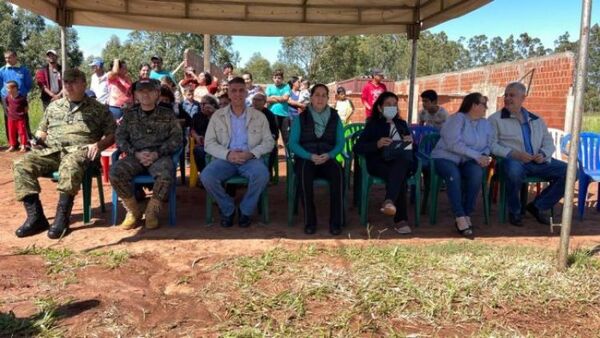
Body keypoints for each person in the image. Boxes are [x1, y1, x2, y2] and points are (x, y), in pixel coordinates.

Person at [12, 69, 116, 239]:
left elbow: (113, 133)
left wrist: (99, 145)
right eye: (66, 82)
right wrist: (37, 140)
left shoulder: (98, 109)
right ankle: (36, 217)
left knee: (70, 164)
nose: (69, 86)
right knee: (21, 164)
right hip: (53, 151)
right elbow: (42, 131)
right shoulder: (54, 106)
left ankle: (62, 218)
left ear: (84, 84)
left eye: (73, 82)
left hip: (81, 152)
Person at [490, 82, 569, 226]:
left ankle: (538, 206)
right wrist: (513, 153)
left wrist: (543, 154)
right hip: (512, 161)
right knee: (514, 171)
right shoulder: (495, 119)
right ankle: (515, 211)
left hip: (537, 161)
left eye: (512, 95)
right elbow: (491, 144)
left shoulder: (536, 119)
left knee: (570, 171)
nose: (507, 98)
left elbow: (548, 142)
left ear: (523, 98)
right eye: (506, 95)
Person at [201, 77, 274, 228]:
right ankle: (228, 209)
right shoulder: (217, 116)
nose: (237, 94)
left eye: (241, 90)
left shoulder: (259, 116)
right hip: (226, 159)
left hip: (250, 159)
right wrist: (228, 154)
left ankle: (245, 210)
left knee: (262, 175)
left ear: (247, 92)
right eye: (233, 91)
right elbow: (209, 143)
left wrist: (251, 154)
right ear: (228, 93)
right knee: (207, 176)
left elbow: (269, 142)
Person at [109, 79, 182, 230]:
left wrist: (158, 153)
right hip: (135, 157)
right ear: (135, 94)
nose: (146, 94)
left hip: (159, 157)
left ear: (157, 94)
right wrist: (135, 153)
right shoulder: (129, 115)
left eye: (150, 91)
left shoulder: (168, 114)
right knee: (116, 172)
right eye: (141, 91)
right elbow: (120, 138)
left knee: (166, 174)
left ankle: (151, 212)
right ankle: (133, 211)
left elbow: (177, 139)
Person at [431, 93, 492, 237]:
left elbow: (489, 143)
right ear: (473, 105)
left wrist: (484, 155)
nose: (486, 108)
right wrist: (477, 155)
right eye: (483, 104)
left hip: (468, 160)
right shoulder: (457, 119)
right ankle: (459, 216)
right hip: (445, 158)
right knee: (453, 174)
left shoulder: (486, 124)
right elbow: (453, 144)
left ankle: (467, 213)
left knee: (476, 173)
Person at [288, 84, 345, 236]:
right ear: (311, 97)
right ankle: (310, 221)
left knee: (338, 172)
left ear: (328, 98)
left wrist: (330, 155)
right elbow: (292, 143)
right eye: (317, 95)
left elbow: (340, 142)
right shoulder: (301, 117)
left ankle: (336, 222)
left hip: (327, 156)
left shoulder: (335, 117)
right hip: (307, 157)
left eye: (323, 95)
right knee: (304, 174)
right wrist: (309, 156)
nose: (320, 98)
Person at [354, 91, 414, 234]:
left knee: (400, 166)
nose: (392, 107)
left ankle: (389, 201)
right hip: (380, 163)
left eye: (394, 104)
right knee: (400, 175)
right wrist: (377, 144)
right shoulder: (373, 125)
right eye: (388, 104)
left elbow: (411, 149)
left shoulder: (401, 124)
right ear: (380, 108)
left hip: (402, 161)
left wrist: (410, 141)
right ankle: (401, 220)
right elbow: (358, 147)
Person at [1, 50, 33, 142]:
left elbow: (28, 84)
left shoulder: (24, 70)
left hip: (20, 99)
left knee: (23, 119)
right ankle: (12, 143)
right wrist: (4, 95)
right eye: (6, 58)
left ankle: (26, 142)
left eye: (9, 57)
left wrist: (21, 94)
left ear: (15, 57)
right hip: (6, 99)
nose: (7, 60)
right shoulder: (2, 70)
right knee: (9, 120)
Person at [251, 92, 278, 177]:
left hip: (264, 140)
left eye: (258, 100)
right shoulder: (246, 112)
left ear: (264, 102)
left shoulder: (270, 115)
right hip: (249, 140)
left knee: (272, 149)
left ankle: (267, 173)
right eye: (254, 99)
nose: (255, 102)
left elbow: (275, 132)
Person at [191, 94, 219, 173]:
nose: (202, 106)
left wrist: (212, 113)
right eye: (201, 104)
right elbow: (192, 130)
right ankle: (204, 173)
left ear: (212, 105)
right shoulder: (197, 116)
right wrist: (196, 137)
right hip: (203, 143)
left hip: (218, 143)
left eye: (204, 104)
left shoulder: (219, 115)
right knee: (198, 150)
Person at [266, 69, 291, 142]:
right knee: (273, 135)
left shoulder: (286, 86)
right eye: (275, 78)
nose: (277, 80)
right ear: (273, 78)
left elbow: (286, 98)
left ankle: (288, 153)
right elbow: (267, 99)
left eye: (279, 78)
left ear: (282, 79)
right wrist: (281, 98)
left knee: (286, 137)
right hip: (272, 114)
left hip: (284, 115)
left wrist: (273, 96)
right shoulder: (269, 87)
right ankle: (274, 153)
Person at [4, 81, 29, 152]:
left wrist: (20, 114)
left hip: (20, 118)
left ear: (15, 88)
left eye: (8, 88)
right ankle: (12, 145)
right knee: (11, 132)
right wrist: (11, 114)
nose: (7, 90)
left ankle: (23, 145)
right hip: (11, 118)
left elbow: (26, 108)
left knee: (22, 132)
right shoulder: (7, 97)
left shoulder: (22, 98)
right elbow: (8, 106)